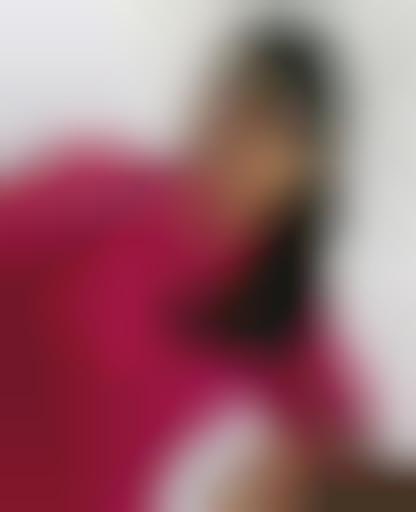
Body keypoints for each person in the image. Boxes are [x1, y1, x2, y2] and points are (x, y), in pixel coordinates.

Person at [0, 30, 363, 512]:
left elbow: (345, 440)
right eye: (237, 109)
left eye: (276, 132)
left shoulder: (272, 300)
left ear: (310, 170)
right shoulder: (99, 189)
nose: (245, 143)